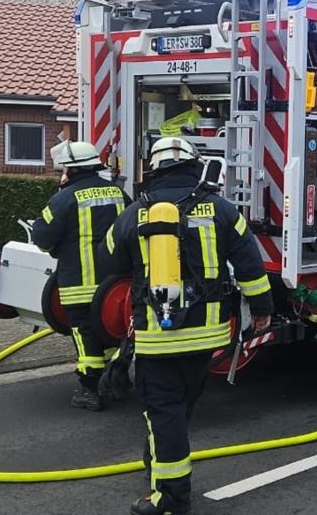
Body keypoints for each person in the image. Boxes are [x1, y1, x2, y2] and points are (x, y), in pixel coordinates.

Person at [98, 137, 274, 515]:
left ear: (154, 169)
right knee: (178, 407)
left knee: (163, 412)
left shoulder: (135, 213)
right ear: (195, 167)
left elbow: (107, 260)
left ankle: (171, 499)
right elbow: (250, 266)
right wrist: (262, 309)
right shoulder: (223, 211)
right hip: (207, 336)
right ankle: (158, 460)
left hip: (158, 338)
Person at [31, 140, 132, 411]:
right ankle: (116, 378)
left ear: (70, 169)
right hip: (116, 288)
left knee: (85, 334)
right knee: (113, 330)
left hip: (79, 285)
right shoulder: (119, 194)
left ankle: (91, 391)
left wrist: (56, 247)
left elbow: (41, 238)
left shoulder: (64, 198)